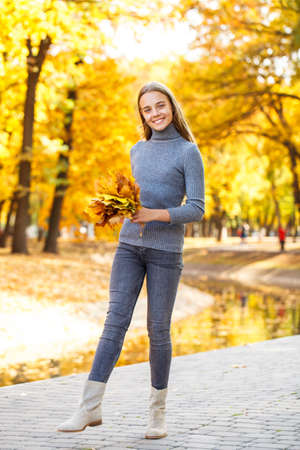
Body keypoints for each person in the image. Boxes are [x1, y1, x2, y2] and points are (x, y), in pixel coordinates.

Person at [57, 81, 205, 439]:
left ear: (172, 106)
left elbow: (196, 209)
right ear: (142, 114)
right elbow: (135, 199)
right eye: (147, 109)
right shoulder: (136, 150)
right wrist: (118, 207)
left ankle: (157, 415)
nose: (155, 113)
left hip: (166, 253)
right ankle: (89, 407)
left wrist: (152, 215)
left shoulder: (188, 152)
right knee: (114, 322)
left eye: (160, 105)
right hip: (128, 248)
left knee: (158, 331)